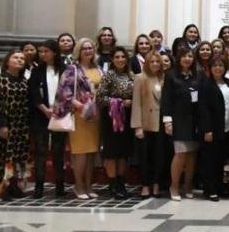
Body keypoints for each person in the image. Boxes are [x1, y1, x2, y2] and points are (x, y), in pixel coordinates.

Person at [53, 38, 102, 199]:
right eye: (84, 48)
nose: (88, 51)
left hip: (95, 116)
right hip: (80, 116)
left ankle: (89, 185)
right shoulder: (72, 69)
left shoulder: (99, 69)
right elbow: (64, 92)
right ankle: (79, 186)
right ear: (79, 51)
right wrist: (81, 106)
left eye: (90, 48)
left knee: (91, 153)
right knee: (80, 153)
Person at [161, 46, 201, 201]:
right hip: (178, 121)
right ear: (179, 58)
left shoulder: (197, 75)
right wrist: (167, 121)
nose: (187, 59)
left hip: (194, 121)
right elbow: (166, 100)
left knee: (192, 155)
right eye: (184, 56)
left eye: (190, 56)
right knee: (180, 154)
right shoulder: (171, 76)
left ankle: (188, 185)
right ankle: (175, 186)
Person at [0, 50, 30, 199]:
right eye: (16, 57)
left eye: (22, 58)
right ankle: (3, 187)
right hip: (6, 123)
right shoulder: (0, 79)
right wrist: (2, 125)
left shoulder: (24, 80)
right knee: (4, 156)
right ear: (8, 61)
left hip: (21, 126)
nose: (19, 60)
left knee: (18, 157)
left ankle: (15, 186)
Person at [28, 40, 66, 197]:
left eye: (46, 51)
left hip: (60, 114)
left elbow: (69, 89)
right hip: (41, 115)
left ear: (54, 52)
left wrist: (59, 109)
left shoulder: (64, 69)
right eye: (41, 52)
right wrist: (44, 109)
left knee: (58, 150)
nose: (42, 54)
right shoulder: (37, 70)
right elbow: (33, 92)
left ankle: (60, 185)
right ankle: (39, 185)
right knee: (41, 151)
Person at [97, 47, 134, 199]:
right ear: (113, 59)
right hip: (111, 119)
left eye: (122, 57)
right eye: (117, 57)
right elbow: (100, 98)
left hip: (127, 118)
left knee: (123, 152)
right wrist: (119, 102)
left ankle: (121, 182)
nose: (120, 59)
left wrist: (132, 102)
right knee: (112, 152)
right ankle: (112, 184)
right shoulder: (108, 76)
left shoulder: (131, 75)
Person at [131, 51, 167, 198]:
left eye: (157, 62)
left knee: (159, 155)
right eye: (152, 61)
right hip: (145, 122)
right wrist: (137, 125)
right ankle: (146, 184)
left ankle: (156, 183)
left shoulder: (164, 77)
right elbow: (136, 103)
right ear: (146, 63)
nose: (155, 64)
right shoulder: (140, 78)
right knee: (145, 156)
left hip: (161, 122)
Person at [198, 57, 229, 202]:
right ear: (210, 68)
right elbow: (203, 109)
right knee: (210, 161)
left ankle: (219, 186)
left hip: (228, 127)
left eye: (221, 65)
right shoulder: (206, 84)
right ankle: (210, 189)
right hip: (212, 129)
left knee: (221, 159)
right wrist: (207, 129)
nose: (218, 68)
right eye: (215, 65)